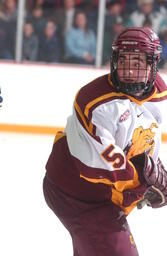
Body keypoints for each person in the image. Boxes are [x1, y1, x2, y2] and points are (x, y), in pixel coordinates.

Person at [43, 27, 167, 256]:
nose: (129, 70)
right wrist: (144, 183)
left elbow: (143, 139)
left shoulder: (158, 93)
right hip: (78, 194)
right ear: (114, 61)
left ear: (152, 66)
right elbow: (105, 169)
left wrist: (150, 171)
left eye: (138, 64)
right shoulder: (96, 103)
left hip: (100, 194)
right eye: (124, 62)